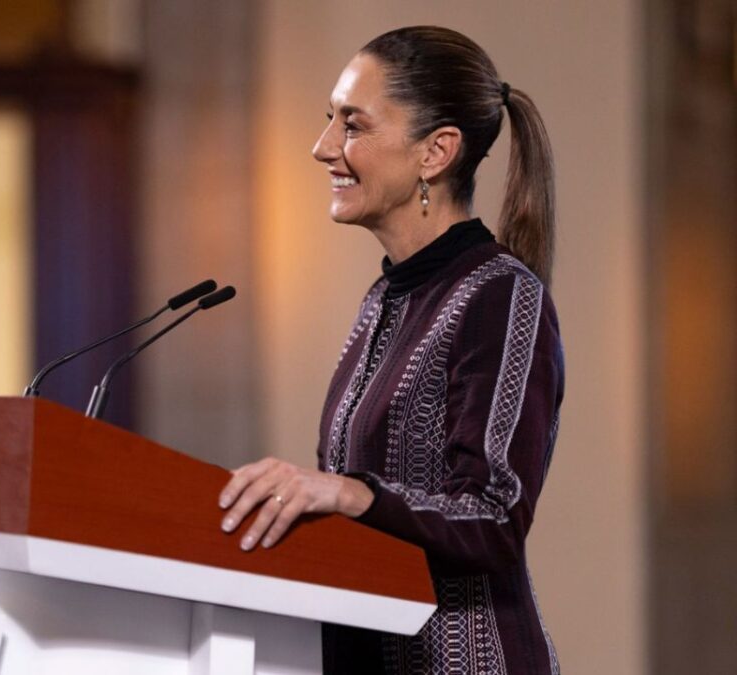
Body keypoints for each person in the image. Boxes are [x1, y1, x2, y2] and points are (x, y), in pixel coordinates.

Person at [218, 26, 564, 674]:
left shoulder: (503, 295)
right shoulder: (383, 299)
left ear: (436, 151)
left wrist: (348, 493)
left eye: (352, 125)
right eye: (330, 120)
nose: (323, 147)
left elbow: (492, 514)